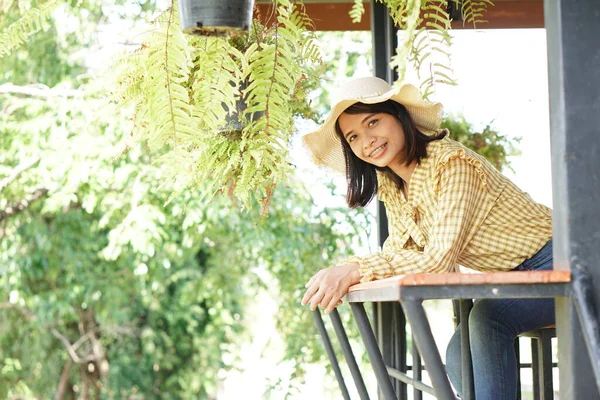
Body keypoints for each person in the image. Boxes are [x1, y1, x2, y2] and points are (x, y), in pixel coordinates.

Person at [300, 76, 554, 400]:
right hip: (519, 275)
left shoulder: (451, 164)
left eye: (373, 121)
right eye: (353, 136)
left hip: (564, 258)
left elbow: (437, 262)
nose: (367, 140)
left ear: (399, 115)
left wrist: (354, 269)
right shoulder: (395, 186)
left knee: (485, 320)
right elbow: (399, 252)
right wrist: (353, 269)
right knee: (459, 353)